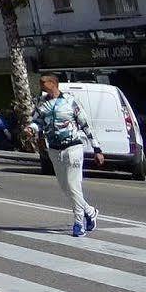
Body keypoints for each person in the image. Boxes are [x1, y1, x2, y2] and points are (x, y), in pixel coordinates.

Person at [34, 72, 102, 236]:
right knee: (65, 187)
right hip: (54, 149)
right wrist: (31, 129)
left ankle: (79, 223)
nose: (41, 86)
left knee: (73, 185)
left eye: (44, 83)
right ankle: (90, 211)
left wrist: (97, 149)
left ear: (53, 83)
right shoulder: (39, 102)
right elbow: (36, 121)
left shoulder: (70, 101)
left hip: (73, 147)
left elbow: (85, 125)